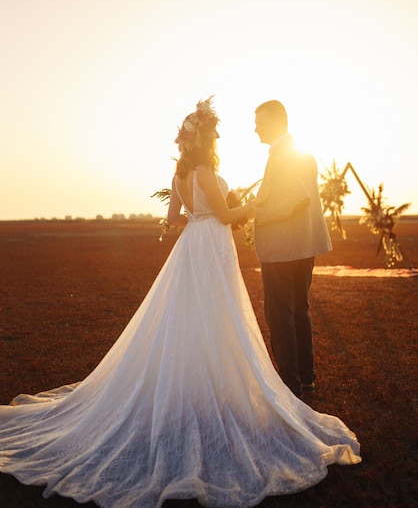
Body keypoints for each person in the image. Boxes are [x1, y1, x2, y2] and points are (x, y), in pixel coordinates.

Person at [0, 97, 359, 508]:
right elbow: (225, 216)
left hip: (193, 245)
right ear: (204, 139)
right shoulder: (207, 171)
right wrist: (252, 207)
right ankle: (223, 388)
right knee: (218, 314)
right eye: (215, 133)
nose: (220, 136)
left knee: (190, 315)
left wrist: (198, 218)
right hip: (213, 245)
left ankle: (200, 383)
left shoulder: (180, 175)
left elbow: (174, 219)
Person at [253, 99, 332, 399]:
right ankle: (306, 380)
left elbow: (298, 198)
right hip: (303, 245)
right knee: (299, 311)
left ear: (274, 122)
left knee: (280, 315)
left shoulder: (283, 154)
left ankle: (290, 386)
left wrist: (260, 214)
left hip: (283, 249)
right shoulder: (301, 152)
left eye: (259, 122)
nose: (255, 128)